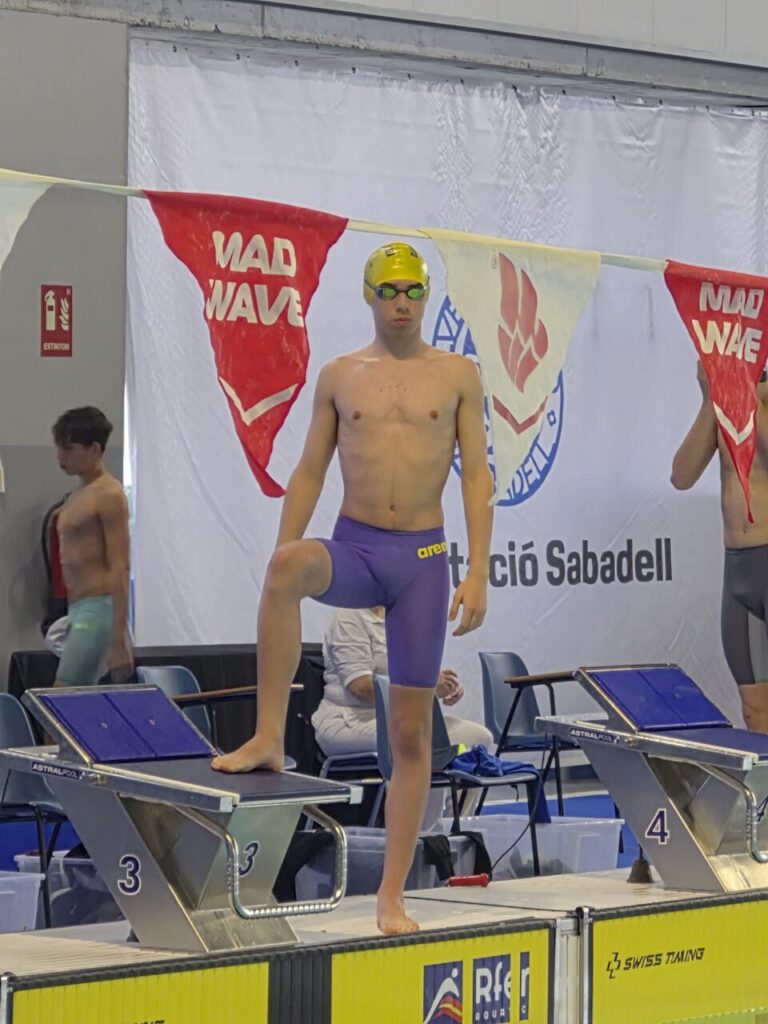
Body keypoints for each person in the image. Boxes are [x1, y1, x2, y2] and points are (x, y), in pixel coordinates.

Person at [213, 241, 494, 934]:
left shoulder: (458, 375)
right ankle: (270, 736)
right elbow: (310, 468)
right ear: (369, 297)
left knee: (408, 735)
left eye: (412, 292)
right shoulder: (341, 376)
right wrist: (290, 537)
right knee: (284, 572)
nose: (401, 304)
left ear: (424, 298)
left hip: (423, 562)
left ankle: (391, 897)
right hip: (359, 548)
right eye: (388, 291)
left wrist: (479, 569)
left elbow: (479, 474)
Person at [314, 606, 494, 828]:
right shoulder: (349, 618)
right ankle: (424, 841)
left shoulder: (403, 618)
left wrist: (442, 686)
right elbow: (359, 687)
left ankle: (455, 831)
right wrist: (426, 686)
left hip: (401, 718)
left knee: (478, 738)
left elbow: (415, 681)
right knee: (424, 743)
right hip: (347, 721)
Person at [671, 361, 768, 730]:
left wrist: (744, 392)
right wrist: (715, 396)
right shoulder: (723, 403)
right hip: (739, 568)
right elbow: (681, 476)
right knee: (754, 707)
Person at [52, 407, 132, 686]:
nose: (61, 457)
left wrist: (119, 639)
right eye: (59, 448)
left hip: (98, 611)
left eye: (69, 448)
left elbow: (120, 565)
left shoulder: (109, 494)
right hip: (77, 609)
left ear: (94, 449)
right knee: (77, 707)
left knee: (58, 707)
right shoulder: (76, 496)